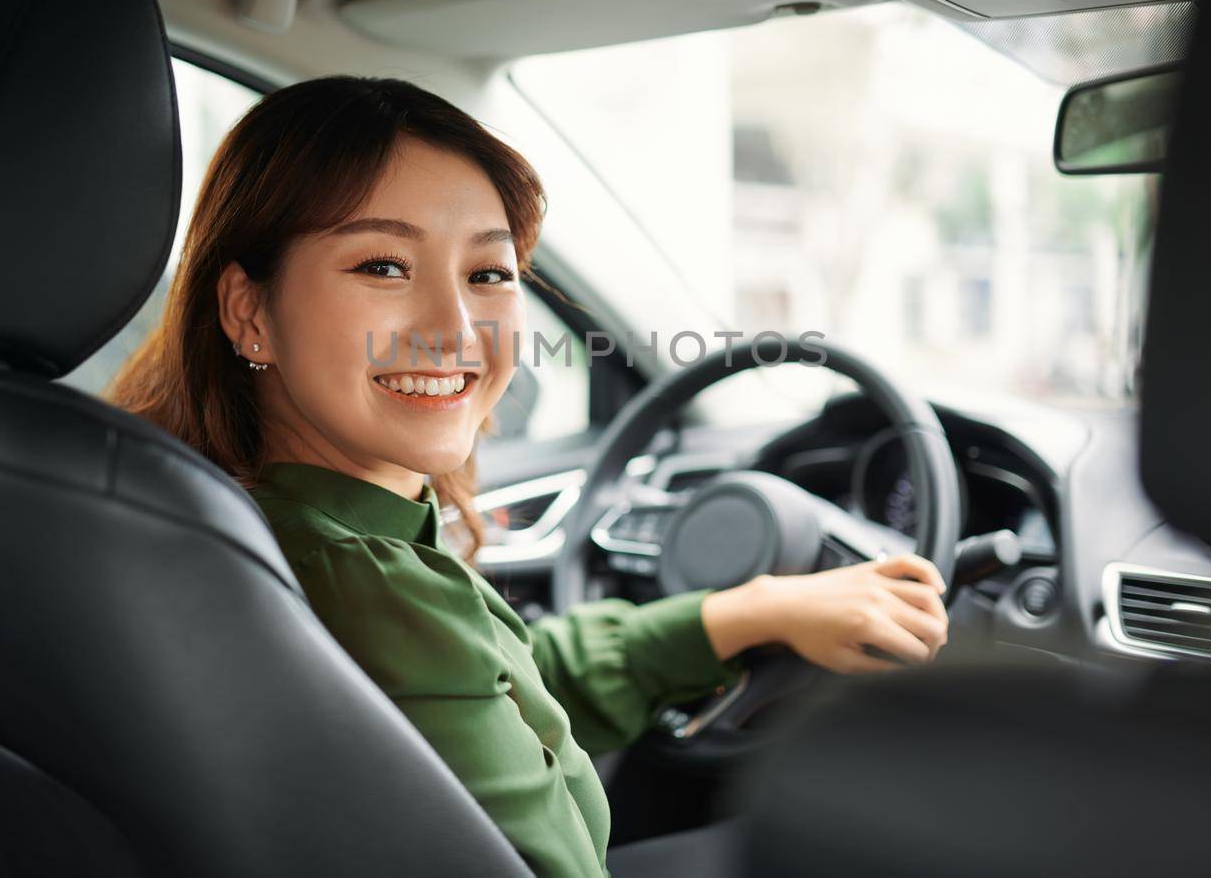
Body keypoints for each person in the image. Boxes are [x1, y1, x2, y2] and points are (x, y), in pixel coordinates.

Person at [111, 76, 950, 877]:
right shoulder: (362, 580)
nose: (455, 331)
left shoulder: (248, 517)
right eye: (383, 266)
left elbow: (503, 683)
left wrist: (751, 610)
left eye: (488, 274)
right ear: (249, 310)